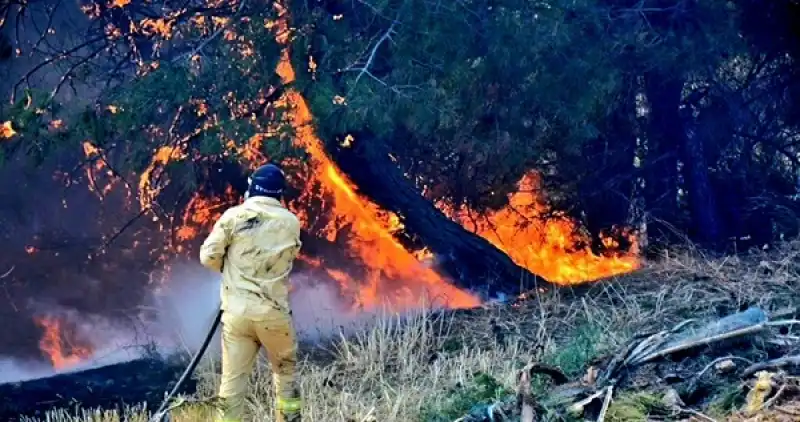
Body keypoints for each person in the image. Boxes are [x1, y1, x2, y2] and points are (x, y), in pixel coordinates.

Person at [199, 163, 303, 422]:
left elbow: (208, 257)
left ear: (251, 189)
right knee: (285, 373)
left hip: (237, 315)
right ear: (280, 194)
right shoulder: (291, 222)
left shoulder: (234, 217)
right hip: (274, 316)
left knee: (231, 384)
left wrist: (231, 269)